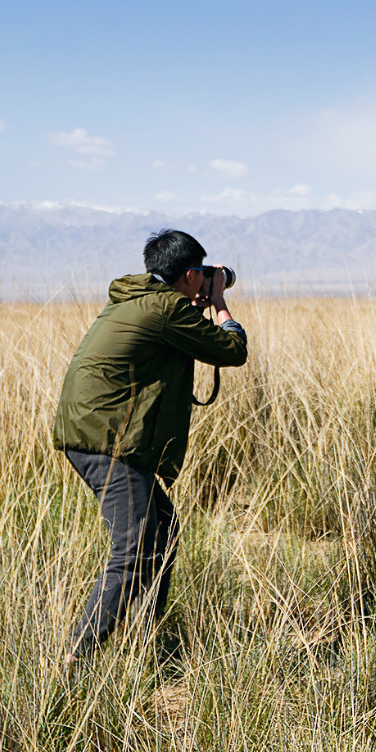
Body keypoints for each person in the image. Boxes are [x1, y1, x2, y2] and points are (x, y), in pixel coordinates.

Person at [51, 228, 247, 661]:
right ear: (190, 275)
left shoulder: (140, 299)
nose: (209, 277)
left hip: (92, 431)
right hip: (106, 438)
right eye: (203, 271)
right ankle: (75, 659)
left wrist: (193, 302)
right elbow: (232, 350)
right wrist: (219, 305)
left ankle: (143, 645)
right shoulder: (165, 309)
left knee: (164, 528)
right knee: (136, 547)